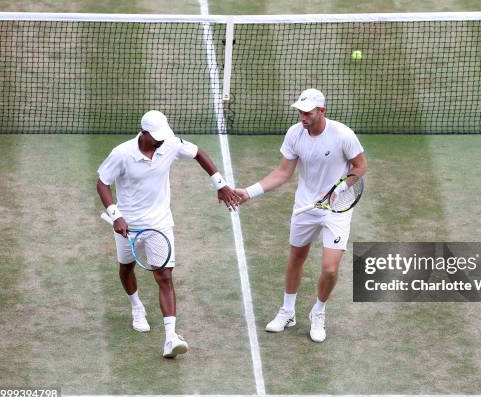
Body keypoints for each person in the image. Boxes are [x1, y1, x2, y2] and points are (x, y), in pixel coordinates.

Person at [96, 110, 240, 358]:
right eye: (156, 137)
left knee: (164, 276)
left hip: (159, 223)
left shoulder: (170, 143)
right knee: (126, 268)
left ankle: (170, 337)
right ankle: (136, 307)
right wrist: (115, 213)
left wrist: (220, 184)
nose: (161, 140)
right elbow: (102, 182)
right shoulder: (122, 154)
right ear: (143, 133)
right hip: (128, 225)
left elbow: (198, 154)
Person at [237, 89, 367, 342]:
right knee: (296, 258)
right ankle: (288, 311)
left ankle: (318, 312)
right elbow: (282, 172)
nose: (302, 117)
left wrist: (336, 190)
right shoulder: (294, 134)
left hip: (336, 209)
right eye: (300, 112)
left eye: (307, 113)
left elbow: (360, 166)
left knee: (330, 269)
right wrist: (248, 193)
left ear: (321, 112)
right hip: (306, 206)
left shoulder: (343, 134)